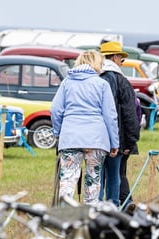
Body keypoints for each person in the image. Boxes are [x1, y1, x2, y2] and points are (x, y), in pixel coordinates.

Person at [51, 50, 119, 206]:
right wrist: (114, 142)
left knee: (68, 179)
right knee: (93, 181)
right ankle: (90, 215)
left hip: (70, 138)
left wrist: (58, 132)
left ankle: (64, 214)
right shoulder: (102, 84)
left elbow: (55, 110)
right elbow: (110, 115)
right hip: (96, 139)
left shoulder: (67, 82)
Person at [98, 41, 140, 208]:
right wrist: (131, 140)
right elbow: (130, 115)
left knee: (97, 176)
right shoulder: (122, 81)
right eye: (121, 59)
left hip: (96, 138)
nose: (121, 62)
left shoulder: (95, 78)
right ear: (115, 58)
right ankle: (114, 208)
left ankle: (96, 208)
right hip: (118, 138)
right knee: (115, 175)